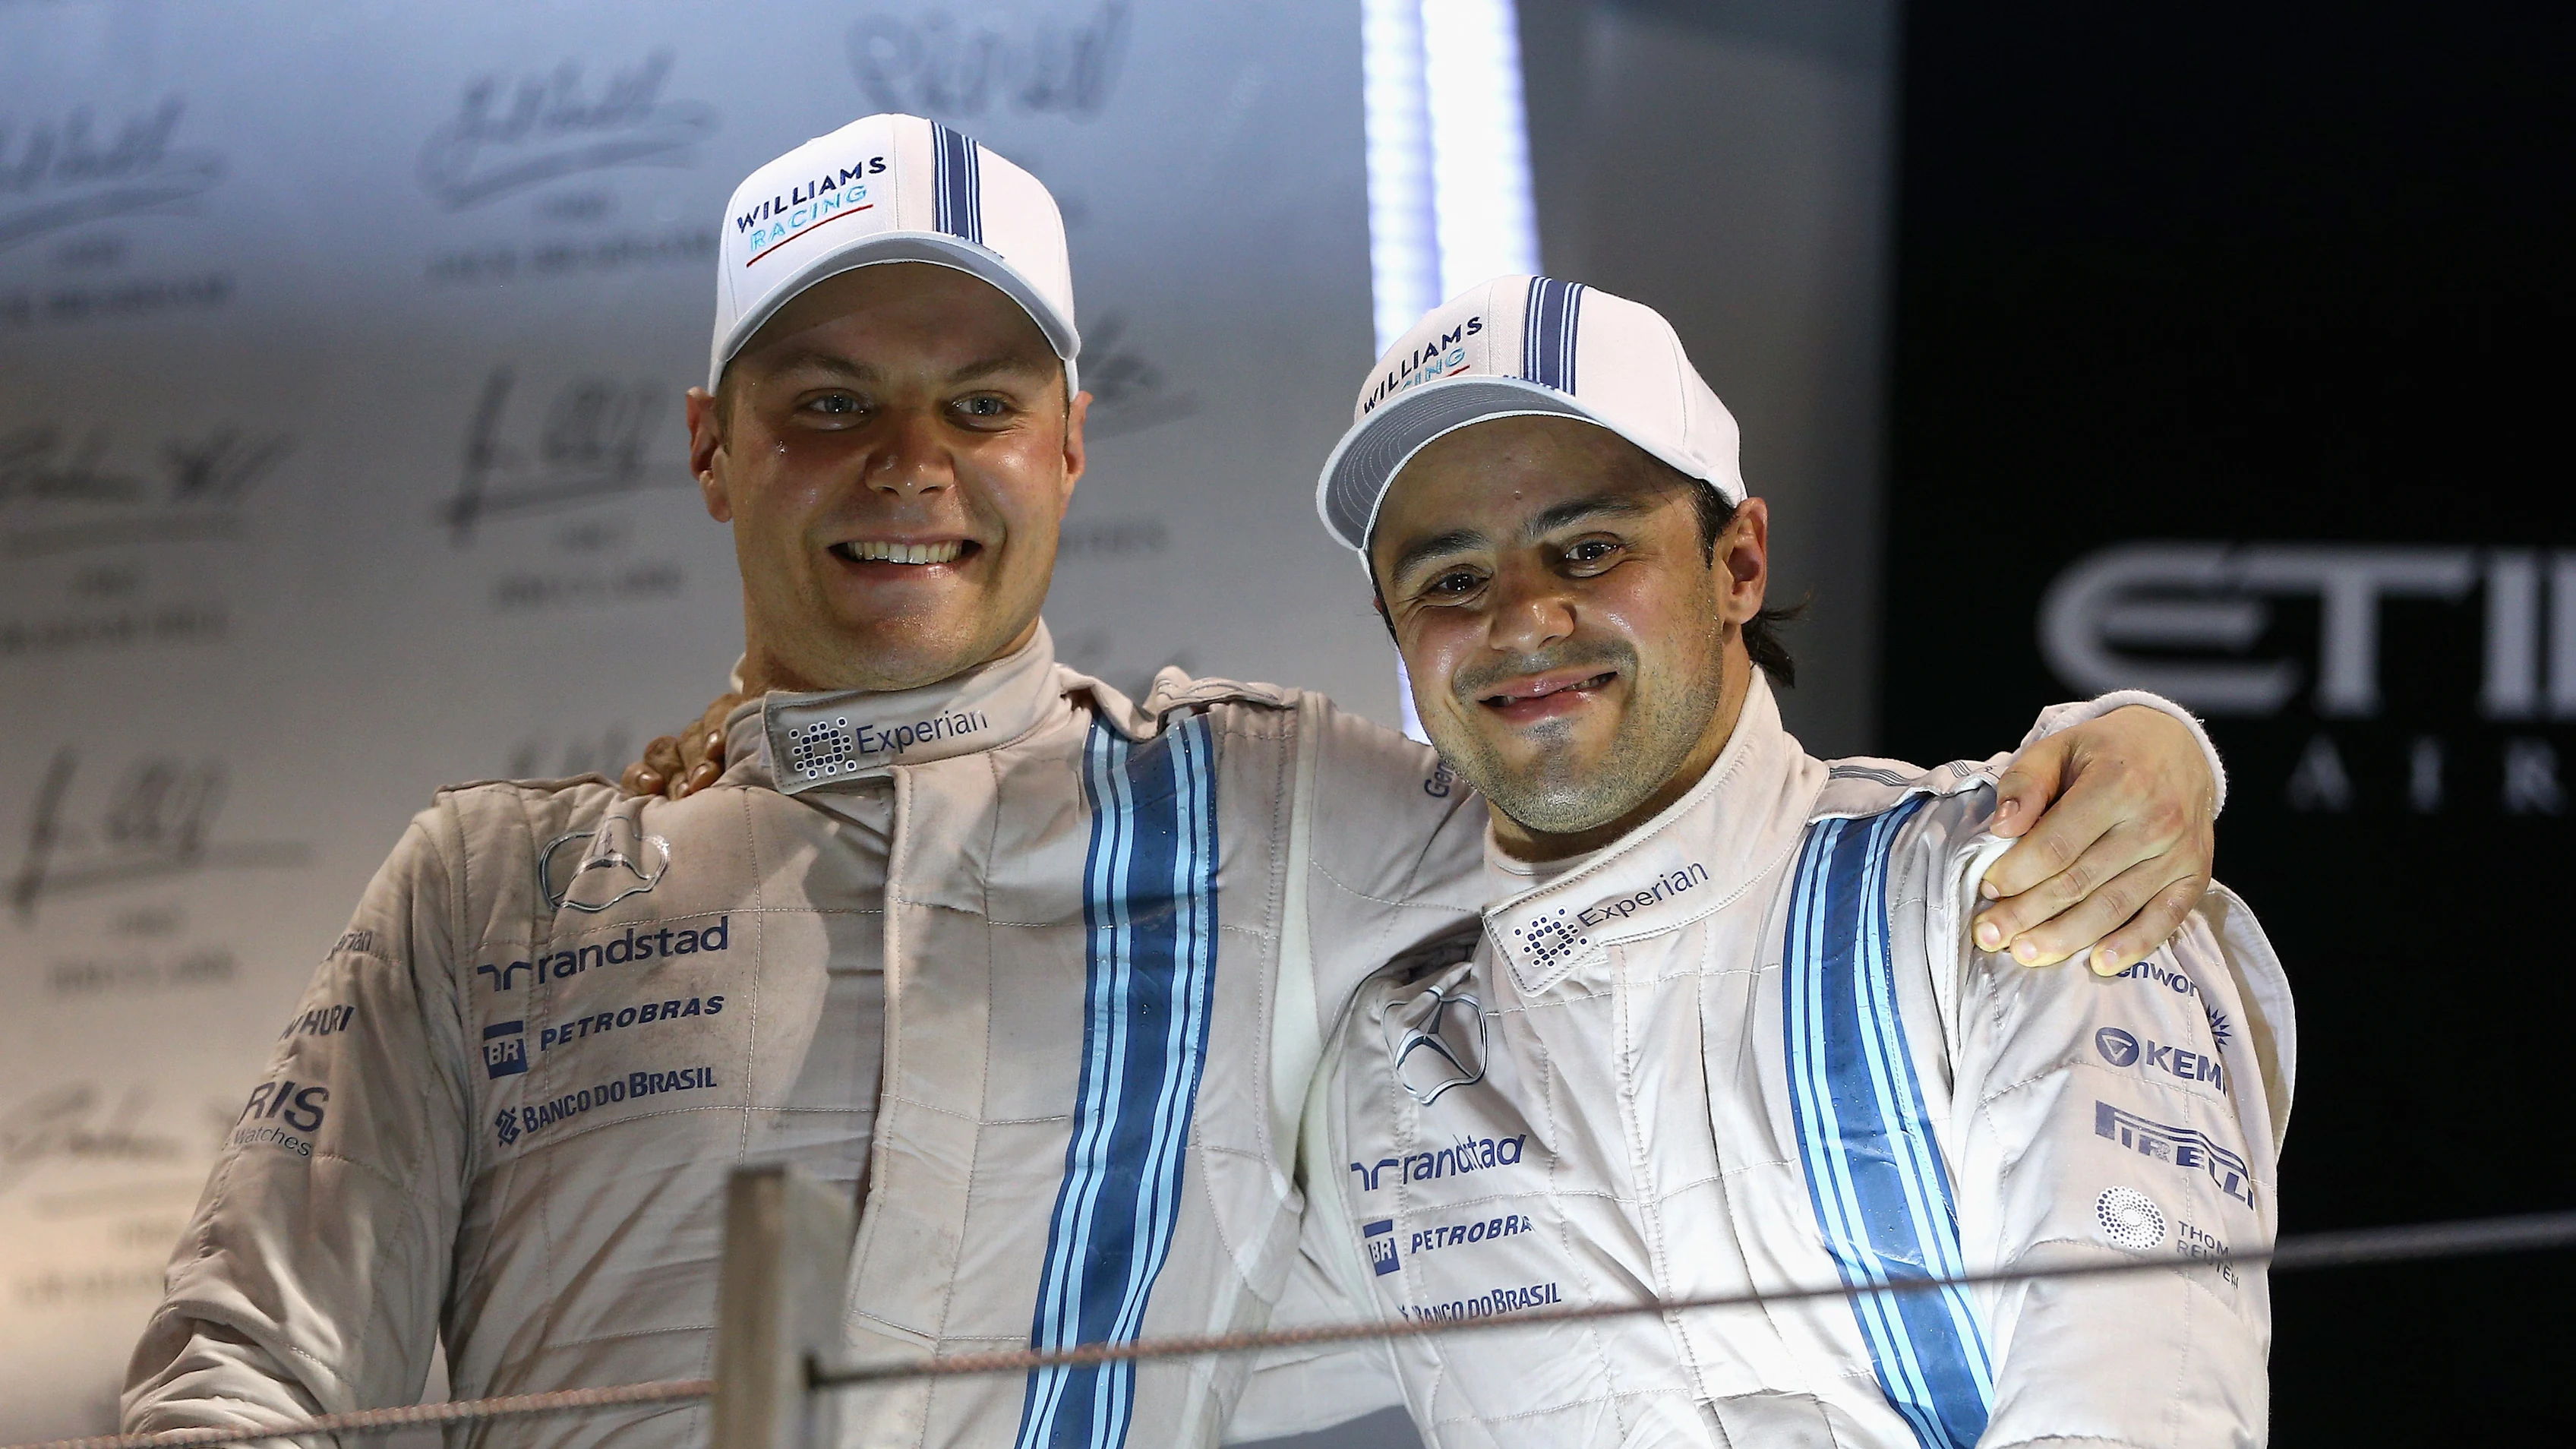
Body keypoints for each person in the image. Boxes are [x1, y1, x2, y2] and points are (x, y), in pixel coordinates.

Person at [122, 118, 2227, 1449]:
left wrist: (2137, 760)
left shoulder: (1262, 806)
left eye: (976, 404)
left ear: (1068, 442)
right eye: (828, 404)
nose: (909, 469)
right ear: (709, 447)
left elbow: (1660, 824)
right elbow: (234, 1373)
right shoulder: (490, 888)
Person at [1286, 277, 2292, 1447]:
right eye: (1452, 580)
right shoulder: (1383, 1070)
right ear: (1395, 627)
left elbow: (2142, 1406)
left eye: (1590, 548)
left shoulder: (2017, 885)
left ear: (1740, 564)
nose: (1522, 619)